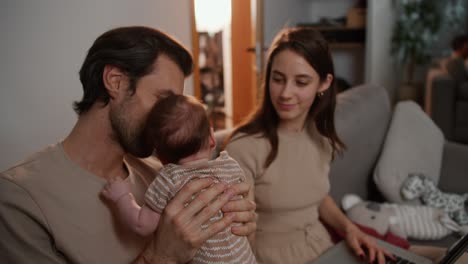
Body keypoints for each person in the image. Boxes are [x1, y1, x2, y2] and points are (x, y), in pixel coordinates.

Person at [0, 26, 256, 264]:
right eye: (163, 100)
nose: (169, 119)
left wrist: (240, 227)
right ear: (115, 81)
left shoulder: (164, 172)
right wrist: (160, 256)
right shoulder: (19, 198)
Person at [224, 27, 396, 264]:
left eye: (301, 82)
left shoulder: (321, 137)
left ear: (324, 84)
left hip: (323, 246)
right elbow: (242, 234)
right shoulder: (244, 148)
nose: (286, 93)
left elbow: (318, 196)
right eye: (277, 79)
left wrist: (350, 230)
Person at [101, 92, 256, 263]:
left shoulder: (169, 179)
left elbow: (142, 225)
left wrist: (121, 196)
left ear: (160, 157)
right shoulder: (230, 165)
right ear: (212, 139)